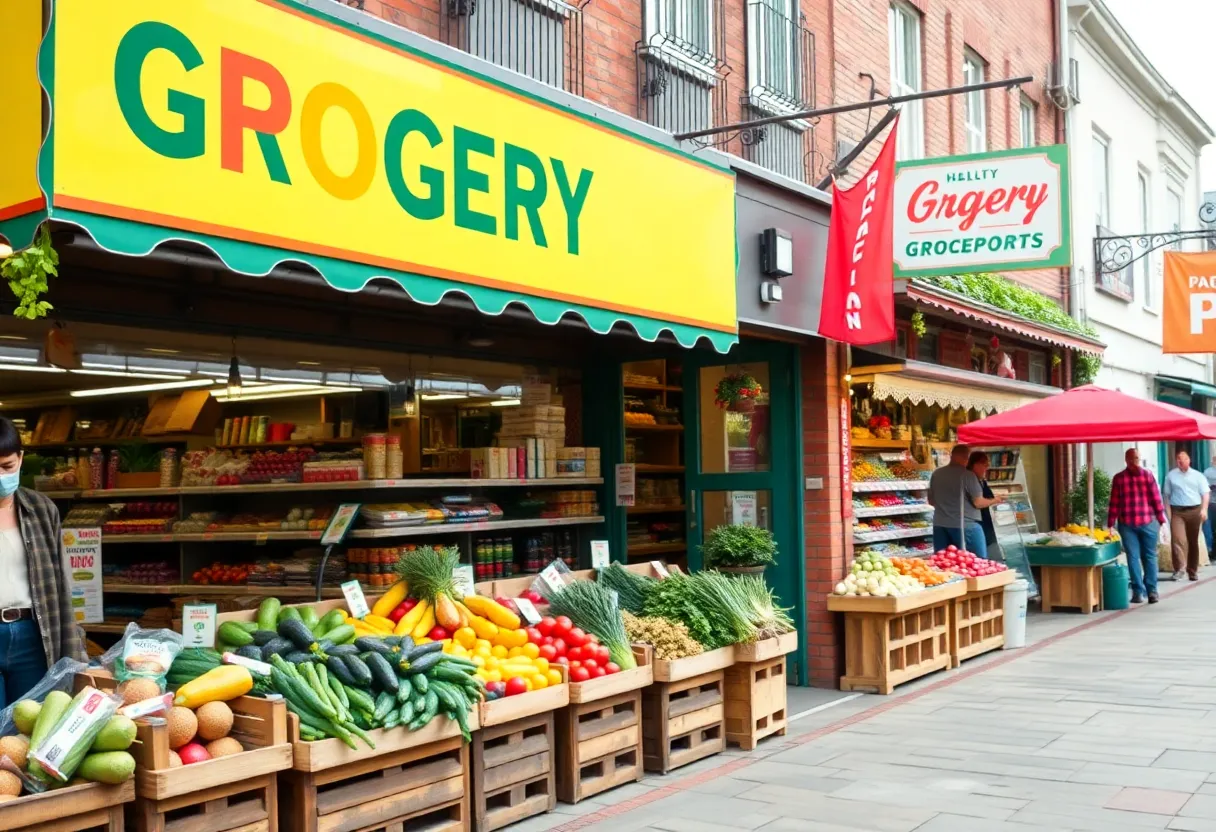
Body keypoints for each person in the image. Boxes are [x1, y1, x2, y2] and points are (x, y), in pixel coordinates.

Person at [0, 416, 84, 708]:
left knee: (31, 726)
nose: (0, 476)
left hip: (33, 634)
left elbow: (61, 585)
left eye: (6, 466)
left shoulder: (41, 510)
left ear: (20, 459)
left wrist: (75, 653)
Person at [1108, 448, 1167, 604]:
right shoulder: (1119, 478)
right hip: (1128, 524)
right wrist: (1110, 524)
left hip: (1148, 522)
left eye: (1137, 459)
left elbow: (1156, 499)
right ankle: (1138, 591)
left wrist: (1162, 520)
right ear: (1126, 460)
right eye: (1132, 459)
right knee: (1133, 557)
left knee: (1149, 556)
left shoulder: (1147, 475)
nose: (1135, 462)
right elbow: (1114, 502)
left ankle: (1151, 591)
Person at [927, 444, 999, 557]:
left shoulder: (937, 473)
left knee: (944, 561)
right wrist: (996, 500)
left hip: (940, 525)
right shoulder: (967, 475)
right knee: (978, 561)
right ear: (966, 457)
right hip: (965, 525)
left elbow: (931, 501)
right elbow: (978, 503)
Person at [1163, 450, 1210, 582]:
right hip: (1177, 511)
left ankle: (1192, 570)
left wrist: (1204, 509)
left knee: (1193, 541)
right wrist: (1168, 514)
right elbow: (1166, 496)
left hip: (1195, 510)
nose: (1181, 461)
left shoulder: (1198, 476)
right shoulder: (1171, 476)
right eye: (1178, 459)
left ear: (1189, 460)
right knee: (1178, 540)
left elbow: (1205, 493)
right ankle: (1179, 569)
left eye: (1184, 459)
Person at [966, 451, 1002, 559]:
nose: (987, 468)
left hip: (986, 526)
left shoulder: (981, 480)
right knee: (980, 558)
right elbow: (978, 503)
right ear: (975, 464)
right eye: (985, 465)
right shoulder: (969, 479)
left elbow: (987, 497)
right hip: (975, 526)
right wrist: (994, 500)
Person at [1203, 456, 1216, 558]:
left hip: (1210, 503)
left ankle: (1211, 550)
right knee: (1209, 528)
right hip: (1210, 503)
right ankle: (1210, 550)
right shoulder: (1207, 472)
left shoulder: (1206, 472)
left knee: (1210, 528)